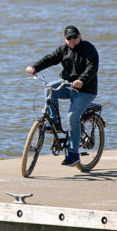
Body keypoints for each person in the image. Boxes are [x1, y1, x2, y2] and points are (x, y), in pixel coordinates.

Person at [25, 25, 99, 166]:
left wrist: (81, 80)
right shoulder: (63, 50)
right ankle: (54, 122)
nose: (72, 40)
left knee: (72, 117)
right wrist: (34, 67)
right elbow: (50, 58)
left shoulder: (89, 48)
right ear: (65, 39)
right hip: (68, 85)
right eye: (69, 38)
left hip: (85, 90)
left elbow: (92, 68)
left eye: (75, 37)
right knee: (50, 88)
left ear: (80, 36)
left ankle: (73, 154)